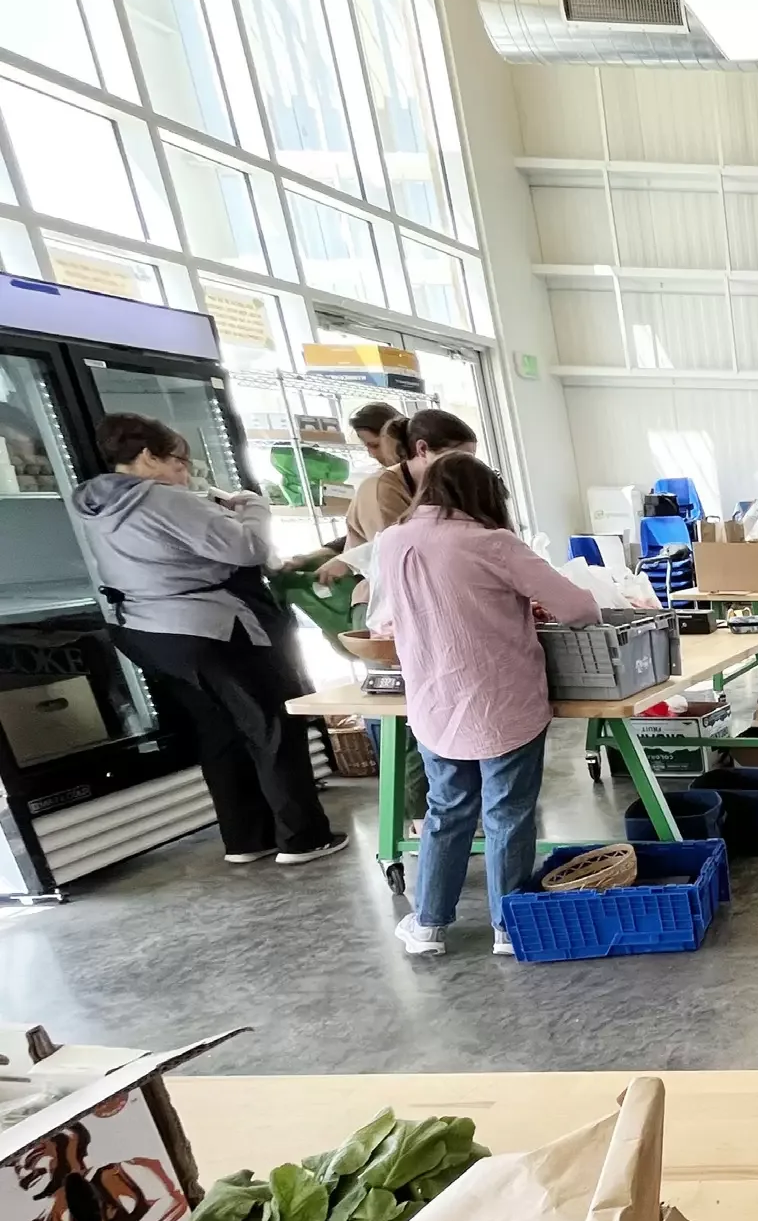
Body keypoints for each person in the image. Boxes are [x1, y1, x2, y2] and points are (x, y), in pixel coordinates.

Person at [69, 413, 347, 866]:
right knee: (271, 725)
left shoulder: (98, 504)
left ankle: (246, 839)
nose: (186, 473)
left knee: (218, 731)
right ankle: (303, 838)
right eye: (180, 463)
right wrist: (254, 507)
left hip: (148, 630)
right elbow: (248, 550)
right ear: (147, 457)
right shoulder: (164, 500)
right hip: (208, 626)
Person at [370, 453, 600, 957]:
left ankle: (428, 924)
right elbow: (580, 608)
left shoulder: (391, 541)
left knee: (446, 810)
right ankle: (507, 925)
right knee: (508, 812)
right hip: (502, 700)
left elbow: (383, 622)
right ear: (485, 497)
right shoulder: (492, 543)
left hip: (432, 699)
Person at [312, 406, 475, 589]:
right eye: (457, 459)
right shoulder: (381, 489)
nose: (466, 469)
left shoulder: (438, 485)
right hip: (382, 597)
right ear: (422, 449)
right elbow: (401, 560)